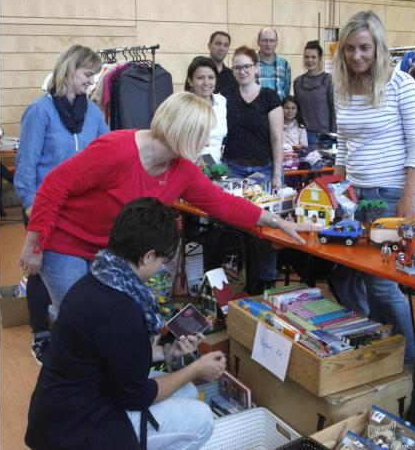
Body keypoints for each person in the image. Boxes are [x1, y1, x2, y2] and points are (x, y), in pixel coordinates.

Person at [19, 91, 316, 311]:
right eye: (202, 135)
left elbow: (222, 203)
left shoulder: (182, 170)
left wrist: (277, 221)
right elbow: (53, 187)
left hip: (110, 252)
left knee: (104, 320)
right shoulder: (117, 149)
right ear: (184, 132)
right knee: (77, 321)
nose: (206, 143)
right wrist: (34, 246)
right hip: (64, 243)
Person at [25, 197, 226, 450]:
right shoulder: (121, 309)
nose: (161, 269)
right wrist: (196, 368)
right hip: (77, 430)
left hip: (59, 413)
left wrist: (168, 352)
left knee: (184, 391)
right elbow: (137, 396)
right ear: (148, 256)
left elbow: (117, 353)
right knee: (202, 420)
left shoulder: (100, 278)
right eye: (162, 262)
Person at [327, 11, 415, 365]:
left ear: (379, 46)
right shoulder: (341, 86)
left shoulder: (402, 85)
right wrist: (336, 187)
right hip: (353, 197)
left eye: (365, 48)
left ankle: (411, 358)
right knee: (347, 275)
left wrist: (408, 198)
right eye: (350, 48)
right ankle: (374, 344)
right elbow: (342, 143)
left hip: (388, 197)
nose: (357, 56)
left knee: (383, 283)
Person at [14, 44, 111, 364]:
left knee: (76, 280)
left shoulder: (93, 113)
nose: (91, 81)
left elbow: (107, 153)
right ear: (69, 69)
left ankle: (75, 334)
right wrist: (31, 209)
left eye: (95, 76)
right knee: (39, 271)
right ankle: (41, 334)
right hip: (43, 208)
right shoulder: (40, 111)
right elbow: (26, 167)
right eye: (87, 74)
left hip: (81, 214)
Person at [221, 46, 285, 294]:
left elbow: (277, 138)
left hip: (263, 168)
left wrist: (277, 174)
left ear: (256, 68)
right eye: (237, 67)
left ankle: (266, 278)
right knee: (236, 226)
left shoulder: (270, 96)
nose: (242, 71)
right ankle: (243, 278)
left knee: (264, 227)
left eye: (247, 66)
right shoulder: (226, 96)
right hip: (234, 168)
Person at [293, 40, 336, 147]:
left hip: (325, 137)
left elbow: (334, 111)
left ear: (320, 59)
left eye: (313, 57)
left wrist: (334, 137)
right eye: (306, 57)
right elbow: (297, 112)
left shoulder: (329, 80)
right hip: (303, 136)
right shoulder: (298, 82)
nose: (309, 60)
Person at [184, 56, 226, 164]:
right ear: (190, 81)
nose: (206, 82)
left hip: (216, 169)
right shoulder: (182, 106)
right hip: (189, 167)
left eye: (211, 77)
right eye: (200, 78)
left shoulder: (221, 102)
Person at [256, 28, 291, 100]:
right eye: (264, 40)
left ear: (276, 43)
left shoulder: (284, 64)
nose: (268, 44)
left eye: (271, 41)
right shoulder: (250, 63)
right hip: (255, 110)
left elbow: (286, 92)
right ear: (258, 42)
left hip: (278, 109)